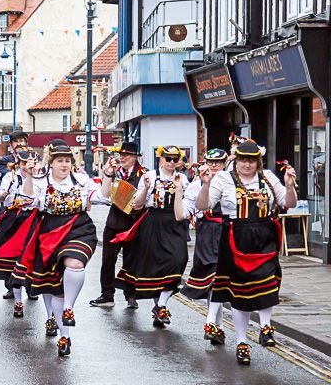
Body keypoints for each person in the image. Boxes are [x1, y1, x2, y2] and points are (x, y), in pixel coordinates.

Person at [196, 139, 297, 365]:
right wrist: (205, 184)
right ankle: (242, 342)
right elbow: (203, 206)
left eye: (252, 160)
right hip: (235, 237)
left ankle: (266, 327)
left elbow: (288, 202)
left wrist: (290, 186)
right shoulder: (223, 178)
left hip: (264, 238)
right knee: (240, 292)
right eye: (243, 159)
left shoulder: (269, 178)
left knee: (267, 284)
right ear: (236, 160)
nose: (247, 165)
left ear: (258, 161)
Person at [12, 145, 105, 355]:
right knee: (53, 288)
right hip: (49, 231)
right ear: (51, 162)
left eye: (68, 161)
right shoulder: (40, 181)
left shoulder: (81, 180)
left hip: (78, 228)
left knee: (75, 262)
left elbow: (101, 196)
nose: (64, 165)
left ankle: (68, 307)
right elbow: (26, 202)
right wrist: (27, 176)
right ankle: (65, 337)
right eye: (60, 161)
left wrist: (107, 175)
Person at [113, 145, 190, 328]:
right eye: (167, 158)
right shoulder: (150, 176)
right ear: (160, 158)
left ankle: (161, 305)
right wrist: (146, 188)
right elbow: (137, 205)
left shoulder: (183, 179)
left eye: (174, 159)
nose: (171, 162)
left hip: (175, 223)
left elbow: (187, 203)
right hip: (153, 222)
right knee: (157, 267)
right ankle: (159, 308)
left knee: (178, 261)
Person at [0, 148, 39, 319]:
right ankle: (17, 298)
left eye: (29, 163)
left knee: (31, 258)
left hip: (32, 218)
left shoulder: (40, 176)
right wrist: (3, 194)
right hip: (13, 218)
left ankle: (31, 288)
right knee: (13, 259)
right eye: (23, 163)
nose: (26, 166)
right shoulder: (11, 176)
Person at [90, 142, 147, 308]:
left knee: (131, 261)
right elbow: (104, 194)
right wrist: (107, 175)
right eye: (121, 155)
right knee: (108, 260)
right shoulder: (114, 172)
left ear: (135, 157)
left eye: (126, 155)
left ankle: (131, 295)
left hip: (133, 224)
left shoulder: (144, 174)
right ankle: (107, 295)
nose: (122, 158)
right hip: (114, 223)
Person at [182, 149, 229, 344]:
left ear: (225, 163)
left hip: (226, 230)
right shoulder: (196, 184)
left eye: (218, 162)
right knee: (212, 279)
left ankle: (212, 323)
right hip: (206, 231)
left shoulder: (231, 182)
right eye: (211, 162)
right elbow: (187, 210)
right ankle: (218, 326)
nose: (214, 166)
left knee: (218, 278)